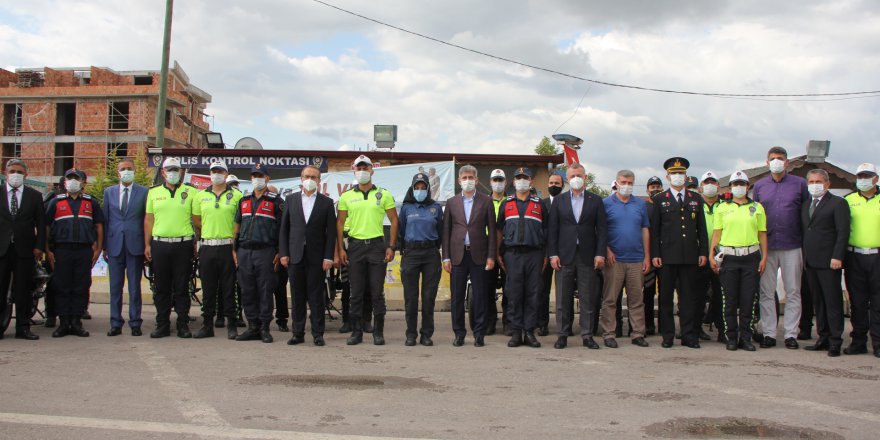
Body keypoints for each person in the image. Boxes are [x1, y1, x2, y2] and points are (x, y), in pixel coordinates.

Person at [337, 155, 399, 345]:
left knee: (376, 292)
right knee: (356, 293)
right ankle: (356, 333)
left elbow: (394, 220)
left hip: (376, 246)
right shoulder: (346, 196)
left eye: (366, 168)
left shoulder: (383, 194)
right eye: (359, 168)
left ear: (372, 170)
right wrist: (340, 249)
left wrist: (391, 246)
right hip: (355, 246)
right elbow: (340, 223)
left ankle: (378, 332)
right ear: (354, 170)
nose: (362, 171)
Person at [752, 146, 809, 349]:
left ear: (787, 162)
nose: (776, 161)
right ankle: (769, 333)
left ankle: (791, 334)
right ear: (767, 163)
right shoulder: (759, 186)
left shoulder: (800, 184)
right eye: (773, 158)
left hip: (792, 244)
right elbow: (754, 215)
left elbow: (806, 214)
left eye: (780, 158)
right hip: (767, 247)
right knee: (766, 291)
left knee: (793, 291)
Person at [651, 157, 709, 349]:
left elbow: (702, 229)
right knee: (666, 299)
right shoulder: (660, 199)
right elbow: (655, 231)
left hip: (690, 256)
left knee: (688, 299)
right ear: (668, 177)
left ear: (686, 175)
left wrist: (703, 252)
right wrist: (655, 254)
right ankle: (667, 336)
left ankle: (688, 335)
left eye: (681, 173)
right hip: (667, 257)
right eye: (674, 173)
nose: (678, 176)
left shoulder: (696, 199)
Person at [709, 170, 768, 351]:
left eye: (742, 184)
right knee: (729, 300)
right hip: (729, 257)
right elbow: (717, 233)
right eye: (735, 184)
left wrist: (764, 257)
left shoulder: (757, 207)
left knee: (748, 301)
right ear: (730, 187)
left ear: (748, 186)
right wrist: (711, 255)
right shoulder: (722, 208)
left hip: (751, 257)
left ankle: (746, 337)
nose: (739, 187)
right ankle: (731, 337)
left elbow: (762, 234)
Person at [280, 165, 335, 346]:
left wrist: (328, 257)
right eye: (307, 176)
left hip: (317, 257)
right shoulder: (291, 200)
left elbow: (331, 233)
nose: (310, 180)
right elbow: (284, 229)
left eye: (314, 177)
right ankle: (297, 333)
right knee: (297, 296)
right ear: (301, 179)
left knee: (316, 297)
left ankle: (318, 334)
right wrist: (284, 253)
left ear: (319, 180)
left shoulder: (326, 202)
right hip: (295, 255)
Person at [45, 168, 104, 338]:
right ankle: (64, 323)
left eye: (76, 178)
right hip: (62, 250)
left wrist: (99, 248)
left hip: (84, 250)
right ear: (64, 182)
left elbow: (99, 225)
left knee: (81, 285)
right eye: (69, 178)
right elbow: (46, 227)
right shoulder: (55, 202)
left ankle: (77, 322)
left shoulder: (91, 202)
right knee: (62, 286)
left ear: (83, 182)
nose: (73, 181)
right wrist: (47, 250)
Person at [442, 164, 496, 347]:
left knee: (480, 296)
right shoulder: (451, 203)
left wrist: (491, 256)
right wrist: (446, 257)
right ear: (459, 181)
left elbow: (492, 231)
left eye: (470, 178)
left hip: (479, 255)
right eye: (464, 178)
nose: (467, 181)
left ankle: (479, 333)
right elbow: (446, 231)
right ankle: (459, 333)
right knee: (457, 297)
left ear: (477, 180)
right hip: (457, 256)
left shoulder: (486, 201)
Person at [145, 157, 198, 338]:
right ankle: (162, 324)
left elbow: (196, 220)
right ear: (163, 172)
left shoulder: (191, 192)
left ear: (181, 172)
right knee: (162, 287)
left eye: (176, 169)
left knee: (182, 287)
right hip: (160, 244)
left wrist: (196, 241)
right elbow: (149, 219)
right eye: (169, 169)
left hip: (183, 244)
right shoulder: (153, 192)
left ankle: (183, 324)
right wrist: (147, 244)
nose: (173, 173)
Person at [800, 169, 850, 357]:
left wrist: (838, 256)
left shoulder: (838, 203)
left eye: (818, 181)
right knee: (818, 302)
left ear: (827, 184)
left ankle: (835, 341)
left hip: (829, 261)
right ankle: (823, 337)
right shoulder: (806, 205)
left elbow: (843, 232)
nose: (814, 185)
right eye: (811, 181)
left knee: (832, 302)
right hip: (810, 261)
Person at [191, 160, 242, 340]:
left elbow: (239, 221)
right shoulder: (200, 196)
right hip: (208, 246)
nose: (217, 174)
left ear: (226, 174)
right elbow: (196, 219)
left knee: (229, 288)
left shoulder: (237, 196)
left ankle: (232, 325)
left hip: (228, 246)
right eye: (214, 171)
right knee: (208, 288)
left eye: (220, 171)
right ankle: (207, 325)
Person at [599, 169, 649, 348]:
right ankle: (609, 333)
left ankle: (638, 334)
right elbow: (600, 229)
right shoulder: (605, 203)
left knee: (636, 300)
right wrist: (606, 250)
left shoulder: (640, 204)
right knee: (610, 299)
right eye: (623, 182)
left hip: (636, 258)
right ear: (617, 182)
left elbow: (645, 230)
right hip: (614, 259)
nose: (626, 185)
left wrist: (647, 256)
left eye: (629, 183)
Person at [497, 167, 546, 348]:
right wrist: (497, 252)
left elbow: (547, 230)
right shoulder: (506, 203)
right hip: (513, 254)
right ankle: (516, 332)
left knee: (533, 294)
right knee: (514, 293)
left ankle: (530, 332)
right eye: (519, 178)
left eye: (525, 177)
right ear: (514, 181)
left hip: (535, 254)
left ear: (531, 181)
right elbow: (498, 230)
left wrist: (546, 254)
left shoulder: (540, 204)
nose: (522, 181)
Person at [0, 159, 46, 340]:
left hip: (25, 250)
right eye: (12, 171)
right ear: (5, 173)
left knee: (23, 290)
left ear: (26, 175)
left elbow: (41, 223)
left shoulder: (34, 196)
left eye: (19, 172)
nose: (15, 175)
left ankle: (23, 327)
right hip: (2, 249)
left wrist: (39, 246)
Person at [102, 157, 147, 337]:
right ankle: (115, 323)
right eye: (123, 169)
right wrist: (104, 246)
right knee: (115, 287)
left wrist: (147, 244)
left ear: (134, 171)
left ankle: (135, 322)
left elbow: (147, 219)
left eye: (129, 168)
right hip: (114, 245)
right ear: (117, 172)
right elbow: (106, 219)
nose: (126, 171)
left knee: (135, 287)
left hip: (135, 244)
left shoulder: (144, 192)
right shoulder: (109, 192)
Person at [398, 172, 443, 346]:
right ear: (412, 189)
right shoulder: (406, 208)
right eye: (417, 188)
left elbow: (440, 231)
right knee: (411, 297)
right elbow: (401, 231)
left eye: (423, 188)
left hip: (431, 254)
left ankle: (426, 334)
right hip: (411, 253)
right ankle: (411, 334)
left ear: (428, 189)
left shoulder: (436, 207)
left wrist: (432, 246)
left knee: (428, 297)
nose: (420, 191)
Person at [843, 163, 880, 358]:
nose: (863, 179)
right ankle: (858, 342)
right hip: (854, 256)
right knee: (857, 301)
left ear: (876, 179)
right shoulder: (848, 200)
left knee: (878, 302)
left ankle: (878, 343)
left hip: (877, 256)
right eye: (860, 176)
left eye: (867, 176)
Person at [697, 171, 725, 342]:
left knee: (721, 295)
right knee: (698, 295)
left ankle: (723, 330)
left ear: (718, 186)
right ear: (700, 187)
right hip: (700, 256)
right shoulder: (695, 205)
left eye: (713, 182)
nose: (709, 186)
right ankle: (697, 328)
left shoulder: (725, 206)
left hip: (721, 256)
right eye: (706, 183)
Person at [538, 172, 564, 336]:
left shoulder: (567, 202)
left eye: (557, 183)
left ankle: (565, 326)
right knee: (543, 291)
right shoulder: (542, 203)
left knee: (564, 292)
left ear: (562, 186)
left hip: (565, 253)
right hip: (545, 253)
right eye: (551, 183)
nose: (554, 185)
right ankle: (542, 324)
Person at [487, 169, 507, 336]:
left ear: (505, 182)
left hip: (507, 247)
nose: (498, 183)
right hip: (488, 248)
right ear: (490, 182)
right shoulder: (483, 201)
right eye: (495, 180)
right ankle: (490, 321)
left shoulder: (511, 201)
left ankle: (508, 321)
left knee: (509, 288)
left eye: (500, 180)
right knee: (487, 287)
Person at [267, 185, 290, 332]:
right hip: (263, 252)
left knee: (280, 289)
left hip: (278, 252)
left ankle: (282, 320)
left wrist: (280, 251)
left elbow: (284, 230)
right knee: (264, 289)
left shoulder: (280, 204)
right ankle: (264, 318)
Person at [643, 176, 664, 335]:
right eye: (652, 187)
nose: (655, 189)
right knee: (648, 293)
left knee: (665, 293)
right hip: (648, 255)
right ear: (647, 190)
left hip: (665, 256)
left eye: (658, 186)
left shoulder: (666, 205)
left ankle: (664, 325)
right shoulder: (644, 207)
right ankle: (648, 324)